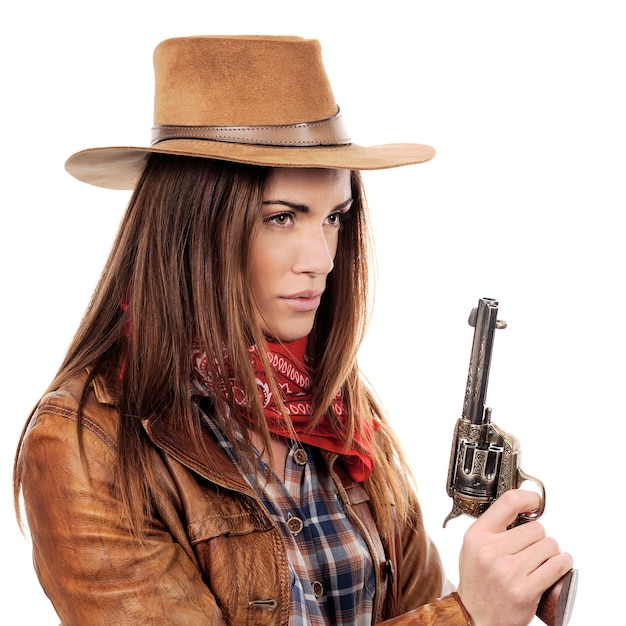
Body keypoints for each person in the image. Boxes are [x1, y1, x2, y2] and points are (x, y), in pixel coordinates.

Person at [13, 35, 573, 626]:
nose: (322, 258)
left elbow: (418, 603)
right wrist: (469, 615)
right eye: (281, 217)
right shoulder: (85, 442)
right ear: (190, 228)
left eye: (334, 216)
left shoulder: (339, 412)